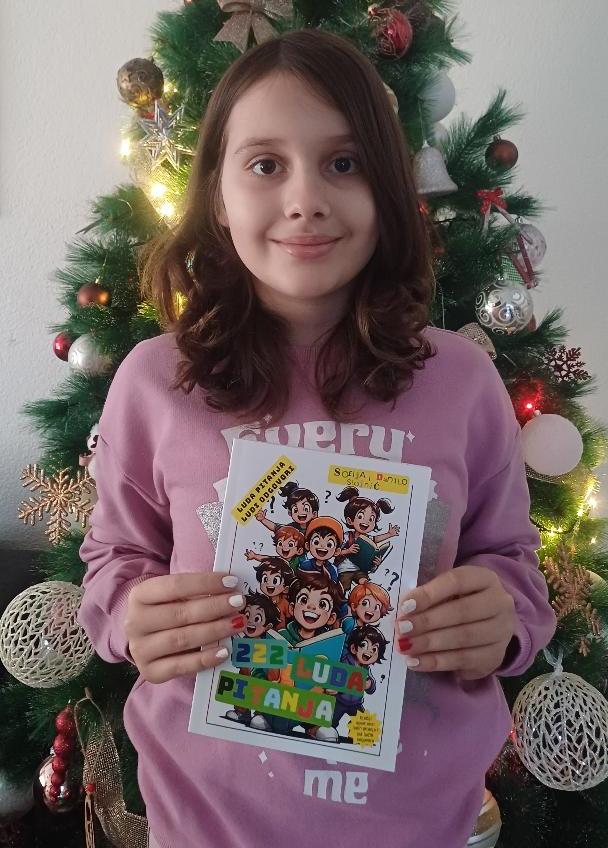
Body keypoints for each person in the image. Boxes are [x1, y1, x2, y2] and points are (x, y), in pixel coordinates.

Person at [78, 28, 557, 848]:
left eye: (344, 162)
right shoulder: (157, 381)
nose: (306, 199)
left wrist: (503, 617)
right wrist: (129, 616)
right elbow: (114, 559)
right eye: (266, 164)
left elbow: (512, 562)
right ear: (217, 196)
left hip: (418, 822)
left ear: (388, 187)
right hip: (207, 821)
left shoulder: (462, 382)